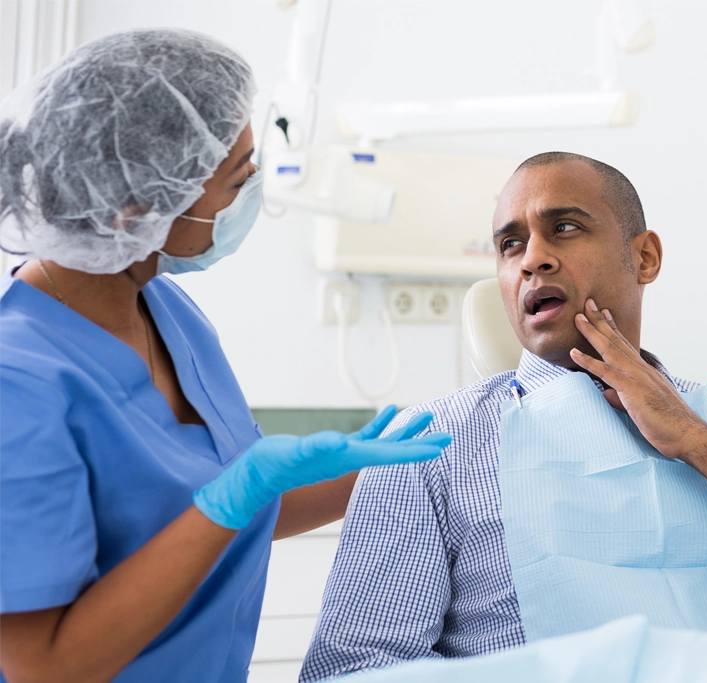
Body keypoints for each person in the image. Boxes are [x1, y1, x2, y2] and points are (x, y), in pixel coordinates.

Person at [300, 152, 707, 681]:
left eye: (563, 228)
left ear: (644, 258)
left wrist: (695, 439)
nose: (533, 259)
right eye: (511, 244)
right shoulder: (431, 445)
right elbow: (354, 669)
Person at [0, 30, 451, 683]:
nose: (253, 193)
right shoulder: (19, 384)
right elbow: (42, 665)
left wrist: (383, 471)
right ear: (135, 210)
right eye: (238, 177)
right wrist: (235, 495)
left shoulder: (166, 310)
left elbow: (233, 511)